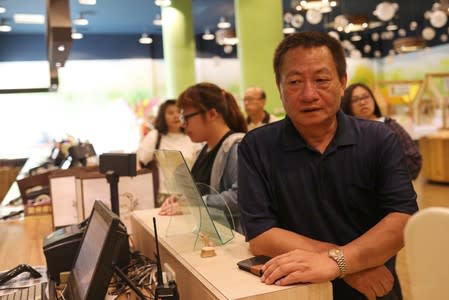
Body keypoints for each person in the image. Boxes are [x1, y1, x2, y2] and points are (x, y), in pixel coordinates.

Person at [238, 31, 418, 300]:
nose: (309, 94)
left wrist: (337, 263)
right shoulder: (256, 146)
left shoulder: (379, 138)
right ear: (279, 86)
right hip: (296, 292)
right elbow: (262, 235)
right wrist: (347, 266)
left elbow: (402, 218)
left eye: (321, 80)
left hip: (374, 292)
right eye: (295, 81)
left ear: (342, 82)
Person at [159, 82, 248, 234]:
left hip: (233, 241)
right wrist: (182, 199)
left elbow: (240, 197)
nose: (183, 124)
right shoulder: (205, 149)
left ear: (212, 114)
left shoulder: (236, 147)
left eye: (187, 117)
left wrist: (193, 204)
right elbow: (200, 190)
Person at [341, 83, 422, 180]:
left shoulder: (390, 126)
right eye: (355, 100)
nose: (362, 102)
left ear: (373, 99)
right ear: (347, 106)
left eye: (366, 97)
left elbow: (414, 161)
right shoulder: (346, 134)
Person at [136, 99, 200, 205]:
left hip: (188, 194)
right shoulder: (155, 136)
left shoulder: (191, 137)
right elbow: (142, 159)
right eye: (170, 113)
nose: (176, 116)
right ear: (163, 117)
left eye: (179, 112)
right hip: (163, 194)